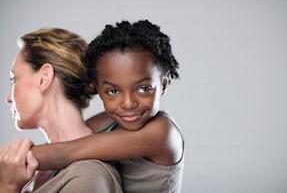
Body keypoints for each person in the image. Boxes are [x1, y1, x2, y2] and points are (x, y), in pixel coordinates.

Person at [30, 20, 185, 193]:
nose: (128, 104)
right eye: (112, 91)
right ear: (97, 88)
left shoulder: (162, 133)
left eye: (143, 89)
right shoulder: (106, 121)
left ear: (163, 85)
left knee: (88, 171)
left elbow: (68, 152)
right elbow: (62, 146)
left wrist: (17, 157)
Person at [0, 28, 122, 193]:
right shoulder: (35, 173)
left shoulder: (88, 177)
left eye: (15, 79)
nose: (8, 98)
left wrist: (8, 187)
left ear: (44, 77)